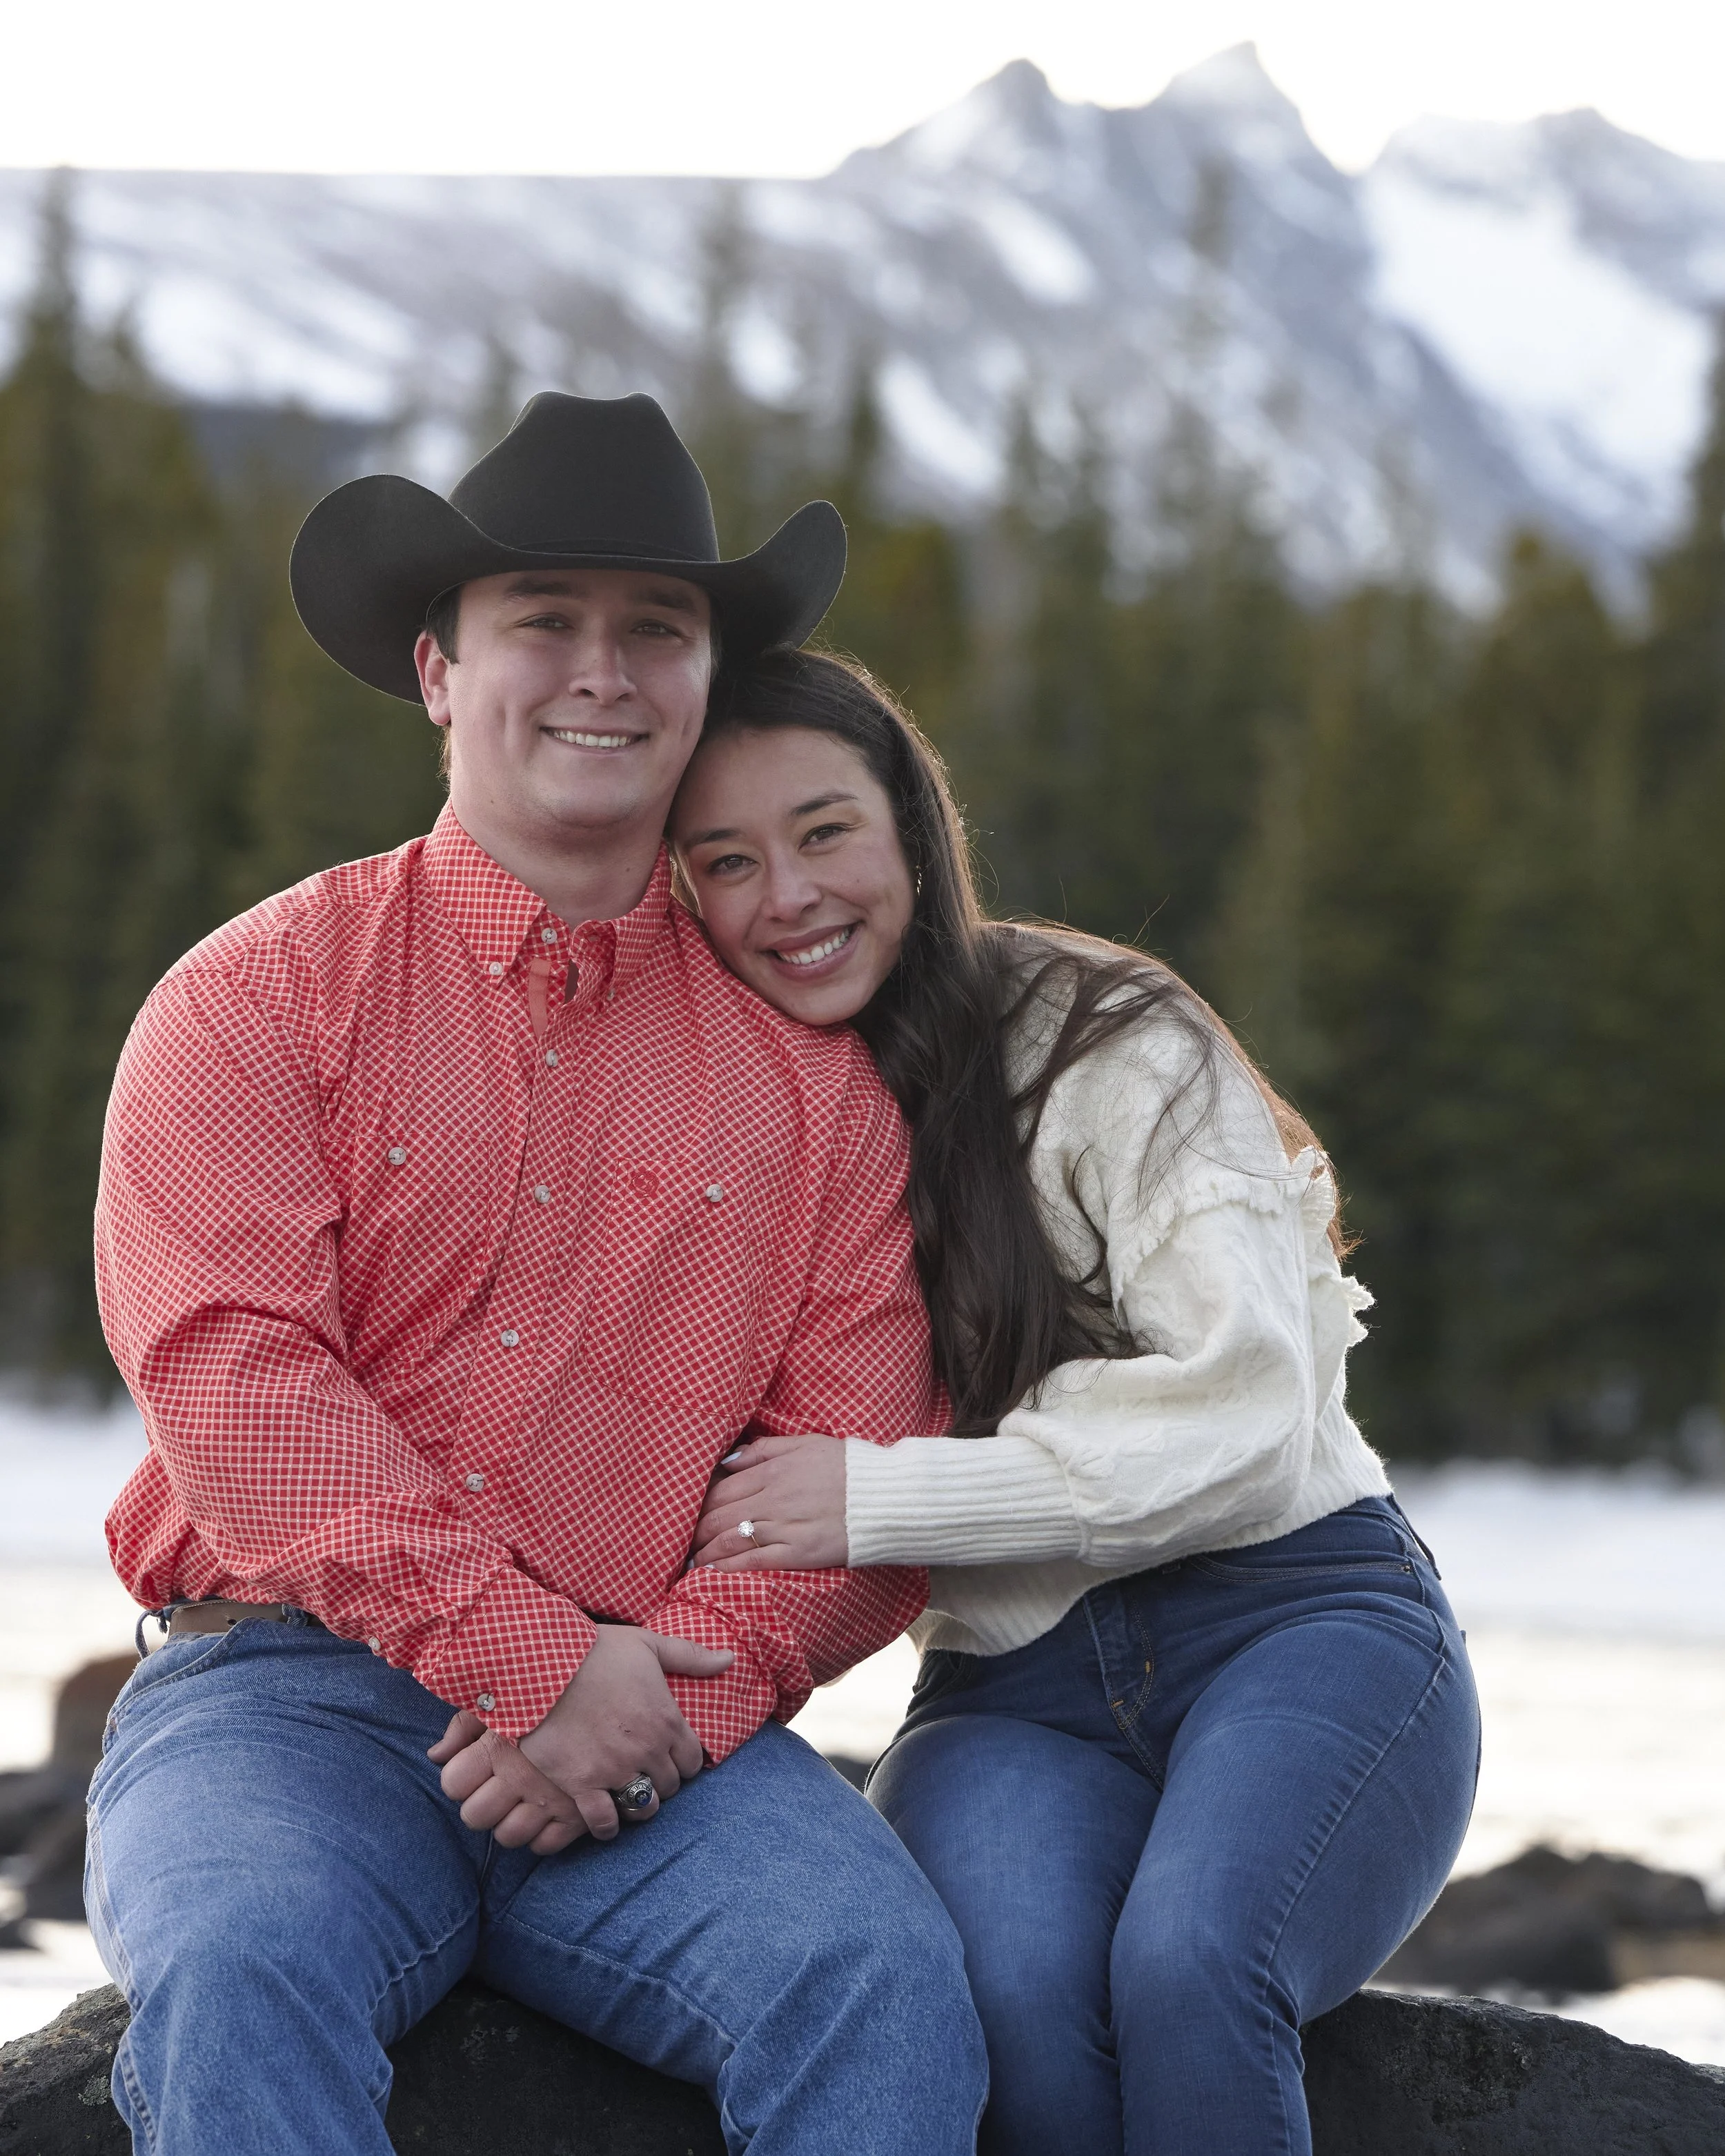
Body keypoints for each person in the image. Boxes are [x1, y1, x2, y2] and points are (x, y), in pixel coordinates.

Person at [88, 395, 987, 2156]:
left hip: (654, 1712)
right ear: (438, 670)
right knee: (239, 1965)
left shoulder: (816, 1088)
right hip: (284, 1693)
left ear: (705, 681)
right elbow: (235, 1385)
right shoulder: (255, 999)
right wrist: (522, 1654)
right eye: (543, 621)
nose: (603, 669)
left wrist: (662, 1697)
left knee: (878, 1979)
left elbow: (854, 1485)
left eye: (655, 627)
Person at [673, 646, 1482, 2156]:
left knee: (1190, 1966)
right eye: (727, 859)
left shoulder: (1105, 1036)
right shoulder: (719, 1117)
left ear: (914, 828)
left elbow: (1246, 1406)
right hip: (1009, 1683)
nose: (785, 892)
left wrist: (875, 1493)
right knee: (1004, 2002)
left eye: (824, 830)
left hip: (1295, 1610)